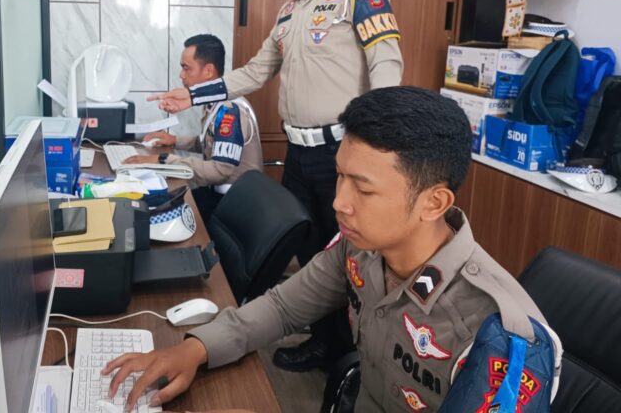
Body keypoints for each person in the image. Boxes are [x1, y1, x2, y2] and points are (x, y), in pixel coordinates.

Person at [102, 87, 561, 413]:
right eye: (340, 176)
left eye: (363, 188)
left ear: (434, 203)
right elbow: (283, 307)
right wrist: (196, 348)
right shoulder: (362, 250)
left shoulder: (499, 337)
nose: (340, 202)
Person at [149, 0, 404, 370]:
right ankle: (327, 341)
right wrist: (193, 95)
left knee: (355, 253)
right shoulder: (288, 14)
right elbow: (254, 72)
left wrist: (377, 142)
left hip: (343, 151)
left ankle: (364, 358)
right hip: (299, 153)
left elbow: (386, 62)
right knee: (311, 251)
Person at [124, 34, 263, 219]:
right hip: (220, 194)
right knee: (159, 202)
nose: (181, 75)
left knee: (165, 213)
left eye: (186, 68)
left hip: (237, 205)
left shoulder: (229, 110)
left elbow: (219, 171)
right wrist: (175, 140)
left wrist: (164, 160)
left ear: (208, 71)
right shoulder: (213, 102)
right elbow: (209, 143)